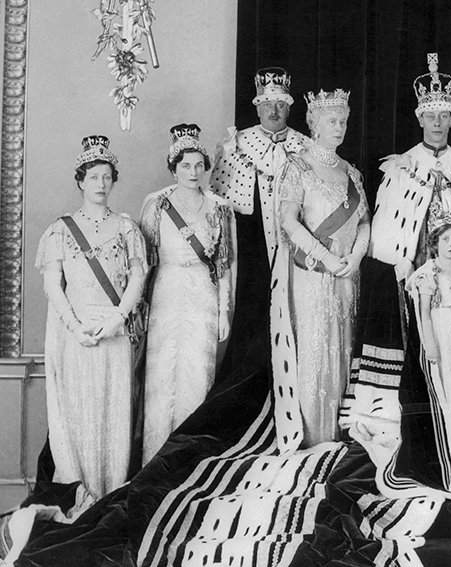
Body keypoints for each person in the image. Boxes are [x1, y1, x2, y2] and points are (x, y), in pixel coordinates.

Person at [340, 53, 451, 443]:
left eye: (442, 116)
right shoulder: (399, 166)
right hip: (405, 276)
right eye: (430, 117)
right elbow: (385, 229)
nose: (436, 123)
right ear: (419, 118)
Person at [35, 135, 147, 502]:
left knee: (113, 416)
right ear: (80, 181)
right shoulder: (60, 230)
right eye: (93, 176)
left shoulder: (127, 228)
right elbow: (53, 285)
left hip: (113, 333)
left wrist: (116, 320)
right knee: (78, 414)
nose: (100, 184)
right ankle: (79, 496)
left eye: (107, 177)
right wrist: (74, 326)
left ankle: (110, 497)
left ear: (114, 181)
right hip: (76, 333)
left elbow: (137, 279)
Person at [272, 88, 370, 449]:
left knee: (343, 350)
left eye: (343, 121)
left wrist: (355, 257)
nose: (339, 127)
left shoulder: (352, 172)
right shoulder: (297, 166)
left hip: (347, 275)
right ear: (314, 124)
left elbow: (364, 223)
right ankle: (312, 439)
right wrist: (328, 258)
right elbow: (288, 221)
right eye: (332, 121)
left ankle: (337, 440)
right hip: (313, 273)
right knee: (315, 352)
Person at [139, 124, 236, 464]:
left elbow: (224, 264)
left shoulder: (219, 207)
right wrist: (142, 309)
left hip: (203, 298)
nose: (193, 172)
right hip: (165, 293)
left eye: (198, 165)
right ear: (173, 168)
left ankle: (189, 463)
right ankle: (154, 459)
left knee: (197, 376)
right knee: (162, 376)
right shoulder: (156, 204)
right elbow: (143, 263)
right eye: (185, 166)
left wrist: (224, 311)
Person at [209, 67, 307, 380]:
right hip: (250, 254)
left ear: (289, 107)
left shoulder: (305, 146)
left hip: (295, 251)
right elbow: (217, 206)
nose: (274, 111)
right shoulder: (237, 144)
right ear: (258, 106)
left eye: (280, 105)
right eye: (267, 105)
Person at [407, 205, 451, 455]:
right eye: (445, 239)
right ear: (435, 243)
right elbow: (424, 313)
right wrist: (430, 343)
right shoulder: (429, 273)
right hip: (441, 330)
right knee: (447, 380)